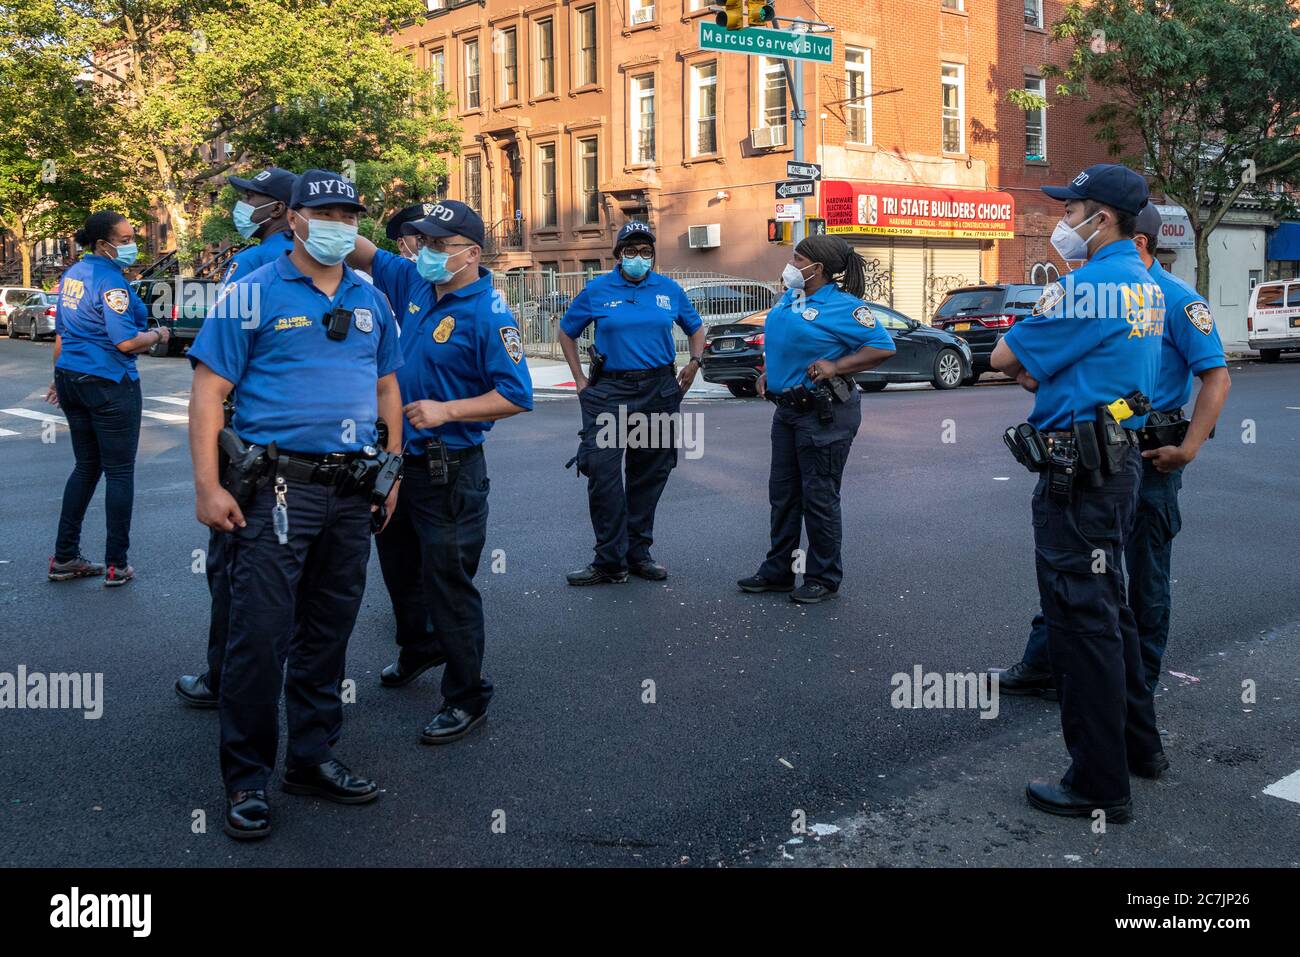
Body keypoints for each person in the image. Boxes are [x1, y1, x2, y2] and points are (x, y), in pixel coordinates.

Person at [187, 169, 404, 840]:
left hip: (350, 494)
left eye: (350, 211)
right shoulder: (251, 292)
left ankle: (311, 756)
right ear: (297, 219)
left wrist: (391, 471)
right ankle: (247, 779)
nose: (341, 221)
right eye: (327, 210)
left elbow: (389, 389)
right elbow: (207, 392)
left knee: (327, 632)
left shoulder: (370, 301)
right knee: (260, 636)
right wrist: (206, 484)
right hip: (274, 492)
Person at [993, 204, 1230, 700]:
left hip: (1151, 453)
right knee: (1081, 569)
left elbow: (1216, 377)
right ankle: (1047, 665)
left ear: (1137, 242)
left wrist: (1187, 450)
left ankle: (1136, 683)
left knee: (1144, 574)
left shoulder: (1175, 299)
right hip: (1100, 447)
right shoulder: (1106, 292)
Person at [991, 163, 1167, 822]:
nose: (1064, 221)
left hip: (1079, 477)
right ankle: (1140, 747)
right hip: (1115, 465)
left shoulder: (1089, 284)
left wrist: (1046, 371)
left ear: (1103, 217)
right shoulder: (1145, 284)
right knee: (1111, 612)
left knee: (1080, 625)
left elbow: (1005, 358)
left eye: (1074, 209)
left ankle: (1098, 782)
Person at [346, 200, 532, 744]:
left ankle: (467, 695)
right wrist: (308, 210)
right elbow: (361, 249)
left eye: (437, 245)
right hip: (396, 463)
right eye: (420, 243)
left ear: (471, 253)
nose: (423, 253)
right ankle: (418, 648)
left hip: (450, 468)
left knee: (447, 582)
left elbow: (515, 395)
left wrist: (448, 410)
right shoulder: (416, 285)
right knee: (399, 568)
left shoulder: (489, 312)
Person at [175, 167, 301, 709]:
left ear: (277, 208)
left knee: (232, 563)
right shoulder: (324, 266)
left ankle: (224, 677)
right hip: (310, 447)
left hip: (248, 437)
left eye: (251, 198)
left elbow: (216, 360)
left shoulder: (250, 265)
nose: (243, 206)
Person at [736, 235, 895, 604]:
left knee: (819, 497)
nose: (790, 263)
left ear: (817, 268)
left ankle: (823, 576)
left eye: (797, 258)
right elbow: (785, 343)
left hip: (824, 414)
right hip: (787, 410)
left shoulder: (844, 307)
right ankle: (778, 571)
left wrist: (836, 365)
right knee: (784, 496)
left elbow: (882, 346)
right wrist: (769, 374)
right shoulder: (790, 298)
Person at [557, 221, 704, 585]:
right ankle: (609, 560)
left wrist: (695, 362)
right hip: (610, 393)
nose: (638, 257)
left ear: (652, 255)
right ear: (618, 255)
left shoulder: (669, 290)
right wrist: (579, 379)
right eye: (631, 250)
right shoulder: (597, 290)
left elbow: (695, 327)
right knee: (603, 473)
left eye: (645, 251)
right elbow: (566, 331)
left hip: (658, 389)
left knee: (649, 473)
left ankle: (638, 553)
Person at [47, 211, 167, 587]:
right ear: (103, 244)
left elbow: (61, 335)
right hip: (109, 380)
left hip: (71, 378)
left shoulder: (73, 275)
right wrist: (159, 335)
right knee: (119, 471)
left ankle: (64, 556)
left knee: (85, 467)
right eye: (127, 238)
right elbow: (126, 341)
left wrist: (57, 378)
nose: (133, 244)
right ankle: (117, 563)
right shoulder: (111, 281)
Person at [220, 167, 298, 283]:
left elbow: (228, 301)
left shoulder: (251, 260)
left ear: (277, 209)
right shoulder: (308, 254)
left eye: (249, 197)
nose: (242, 203)